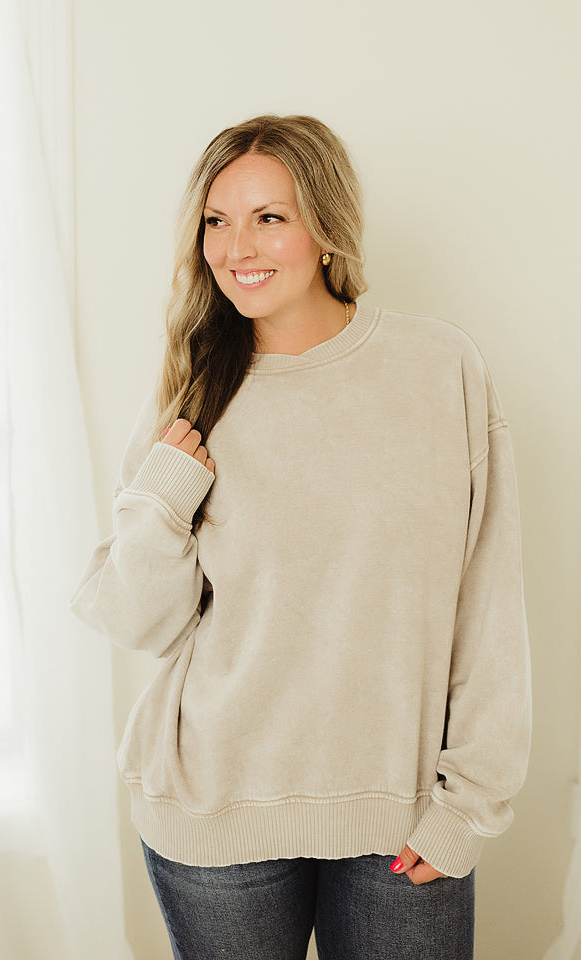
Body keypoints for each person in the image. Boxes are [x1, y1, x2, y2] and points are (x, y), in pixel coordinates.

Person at [69, 114, 532, 960]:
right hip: (215, 808)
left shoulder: (438, 369)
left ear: (325, 228)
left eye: (269, 217)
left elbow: (488, 600)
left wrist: (468, 807)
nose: (236, 247)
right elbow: (139, 621)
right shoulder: (191, 391)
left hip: (402, 813)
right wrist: (163, 497)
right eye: (216, 221)